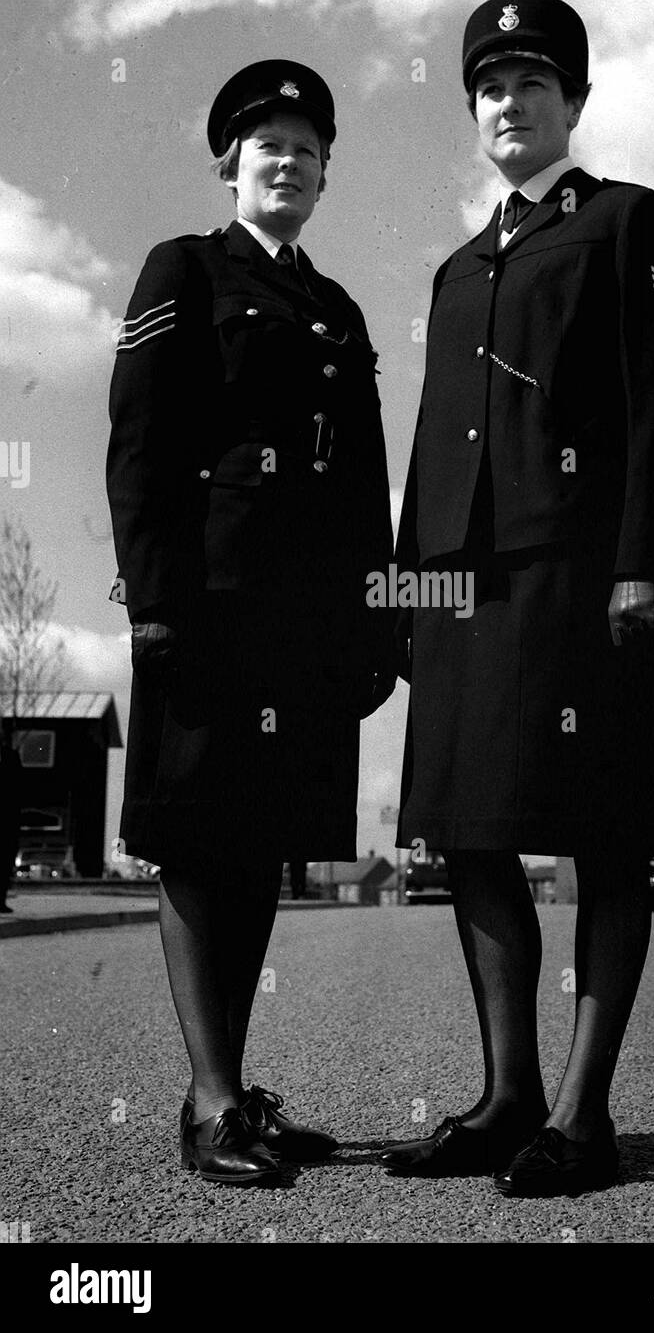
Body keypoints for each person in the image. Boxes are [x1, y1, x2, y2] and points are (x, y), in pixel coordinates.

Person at [381, 0, 654, 1196]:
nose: (508, 103)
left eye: (531, 82)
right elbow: (429, 448)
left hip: (585, 583)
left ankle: (583, 1114)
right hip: (467, 598)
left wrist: (643, 563)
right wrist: (409, 591)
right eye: (490, 86)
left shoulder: (627, 222)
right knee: (469, 835)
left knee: (604, 842)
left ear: (573, 101)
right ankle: (506, 1094)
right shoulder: (458, 268)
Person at [107, 61, 395, 1185]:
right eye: (267, 146)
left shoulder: (338, 310)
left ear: (326, 178)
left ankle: (226, 1094)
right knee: (195, 838)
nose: (287, 163)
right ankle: (214, 1104)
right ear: (233, 165)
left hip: (306, 627)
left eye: (307, 150)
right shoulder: (183, 270)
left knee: (264, 842)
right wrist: (155, 601)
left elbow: (366, 484)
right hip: (208, 609)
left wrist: (380, 621)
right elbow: (137, 443)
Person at [0, 726, 22, 913]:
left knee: (5, 861)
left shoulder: (11, 757)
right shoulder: (11, 757)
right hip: (8, 817)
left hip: (8, 818)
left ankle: (1, 899)